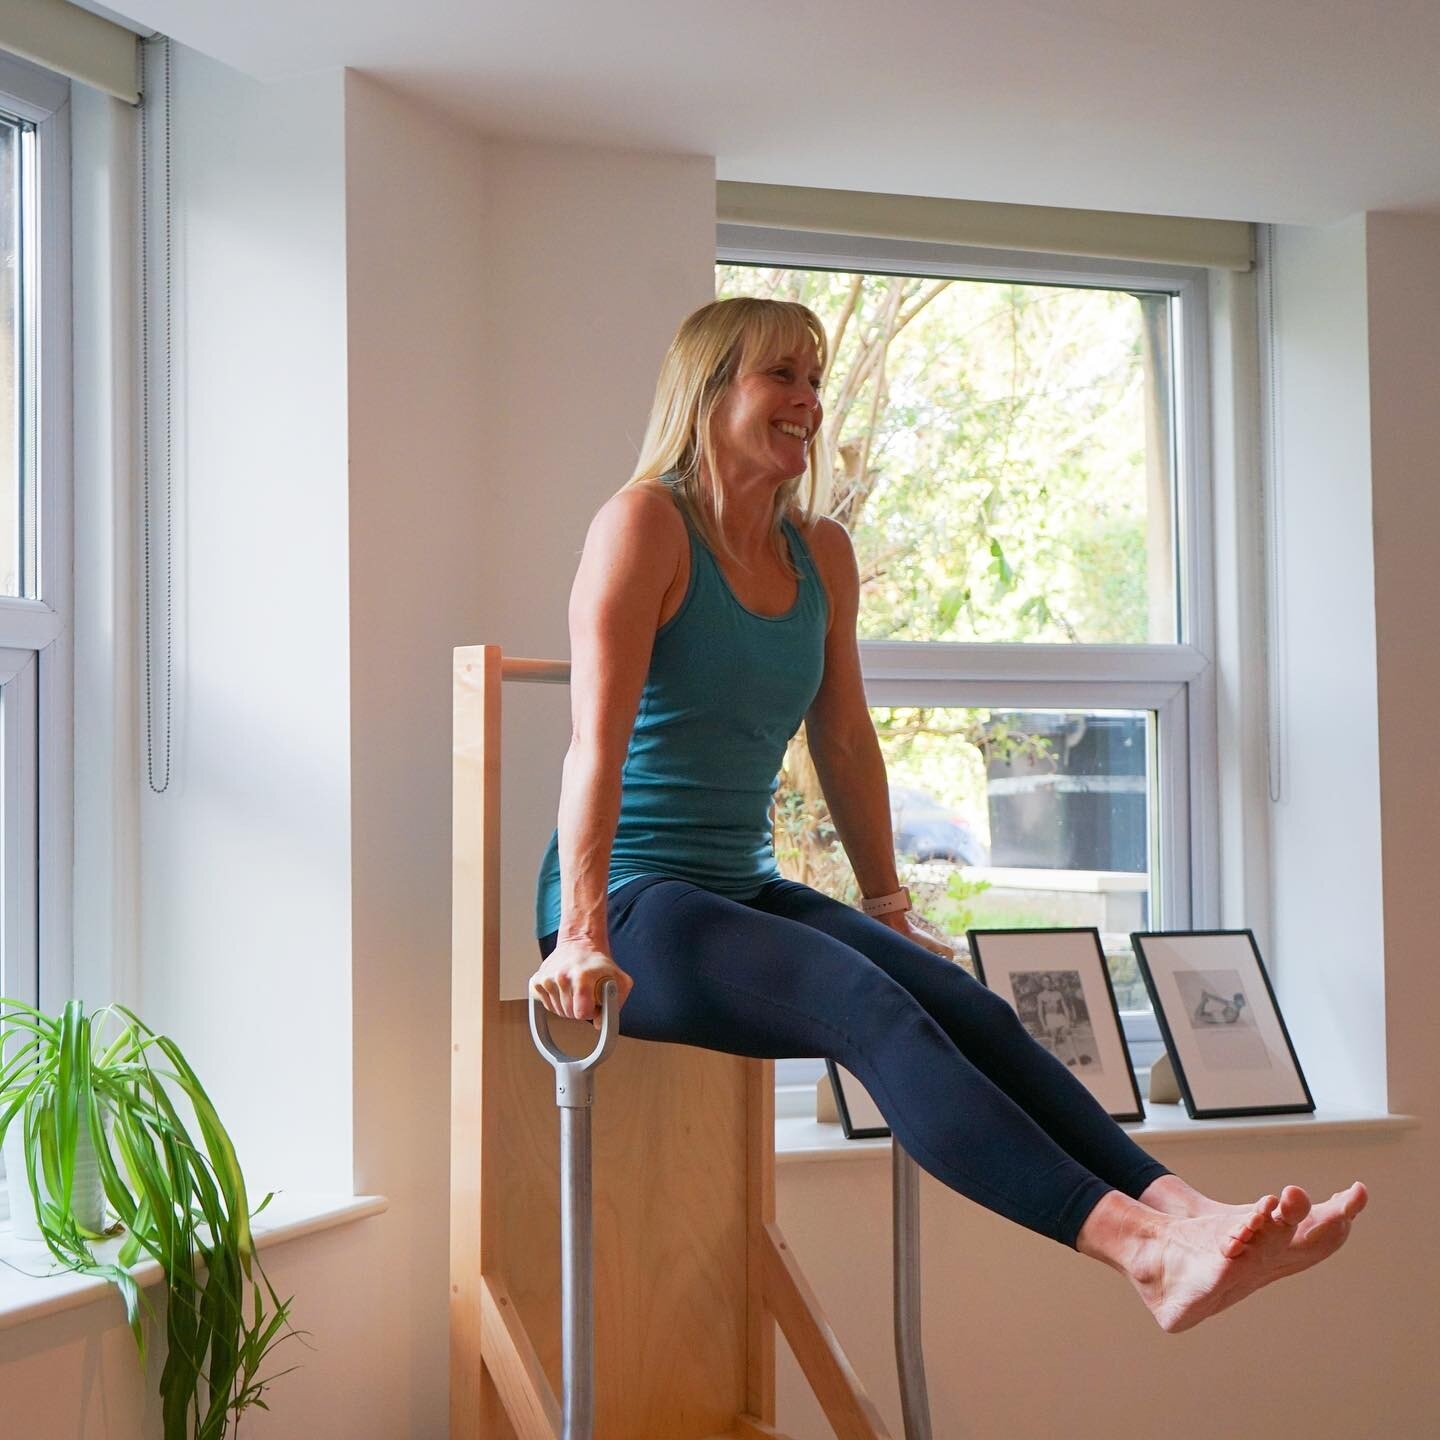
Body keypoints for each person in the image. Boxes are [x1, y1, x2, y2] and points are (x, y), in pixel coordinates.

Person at [528, 296, 1367, 1334]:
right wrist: (579, 932)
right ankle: (1142, 1255)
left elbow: (843, 739)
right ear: (708, 391)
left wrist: (885, 903)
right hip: (636, 901)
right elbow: (592, 745)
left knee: (968, 1005)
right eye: (781, 377)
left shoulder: (817, 553)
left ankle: (1188, 1219)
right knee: (867, 1009)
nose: (807, 402)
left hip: (741, 886)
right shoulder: (644, 524)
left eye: (816, 382)